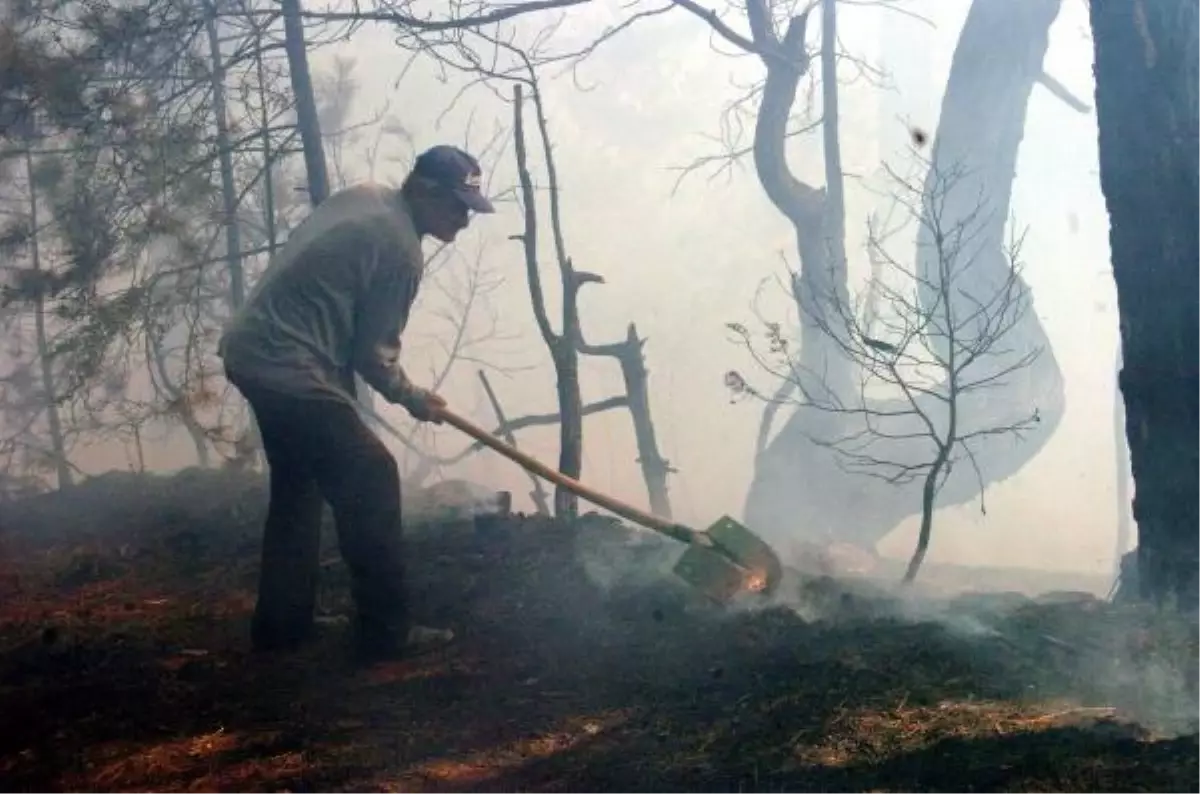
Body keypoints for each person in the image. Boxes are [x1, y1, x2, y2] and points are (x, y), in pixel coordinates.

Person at [218, 145, 495, 662]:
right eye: (458, 207)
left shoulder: (368, 198)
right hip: (288, 367)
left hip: (250, 349)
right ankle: (386, 631)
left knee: (298, 486)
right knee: (372, 474)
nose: (464, 220)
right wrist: (414, 399)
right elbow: (373, 355)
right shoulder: (400, 251)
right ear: (427, 192)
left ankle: (283, 625)